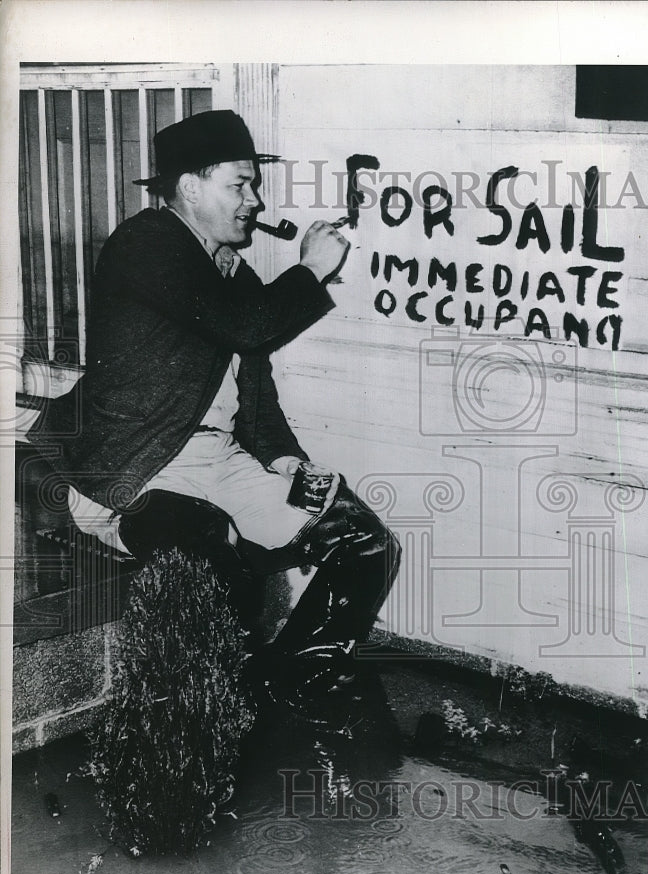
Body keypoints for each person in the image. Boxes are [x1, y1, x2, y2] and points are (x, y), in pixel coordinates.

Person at [28, 109, 400, 714]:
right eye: (240, 184)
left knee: (362, 540)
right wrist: (308, 269)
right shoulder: (146, 243)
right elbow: (246, 325)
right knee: (209, 547)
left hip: (216, 460)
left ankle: (288, 685)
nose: (254, 200)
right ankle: (207, 712)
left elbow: (254, 392)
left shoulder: (229, 268)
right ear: (190, 186)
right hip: (131, 468)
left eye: (254, 185)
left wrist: (285, 462)